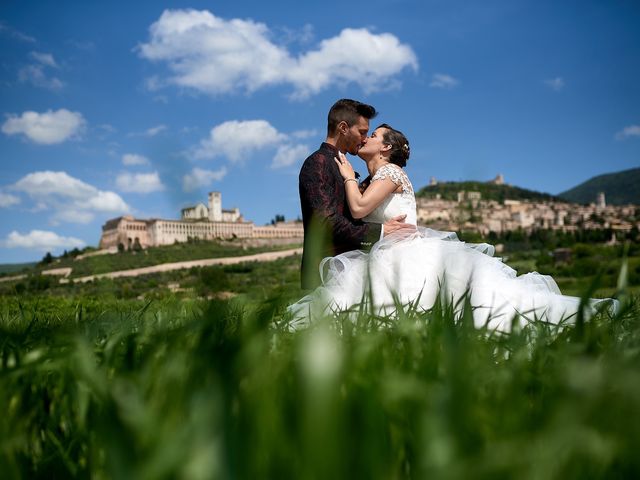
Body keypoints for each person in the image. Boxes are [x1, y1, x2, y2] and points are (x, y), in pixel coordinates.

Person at [289, 123, 618, 331]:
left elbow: (359, 208)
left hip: (403, 252)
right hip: (383, 251)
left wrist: (347, 177)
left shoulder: (390, 174)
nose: (368, 137)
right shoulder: (375, 179)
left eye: (374, 135)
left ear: (386, 148)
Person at [298, 99, 415, 289]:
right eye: (362, 132)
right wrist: (382, 232)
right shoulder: (318, 162)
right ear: (343, 128)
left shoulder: (350, 169)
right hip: (326, 275)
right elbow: (326, 223)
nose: (365, 138)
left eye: (369, 134)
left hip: (355, 275)